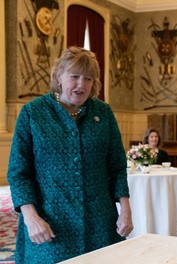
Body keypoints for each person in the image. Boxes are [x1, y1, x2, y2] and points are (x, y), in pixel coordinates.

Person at [7, 46, 133, 263]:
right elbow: (18, 172)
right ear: (59, 76)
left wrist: (125, 209)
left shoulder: (103, 113)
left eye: (88, 79)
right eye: (74, 77)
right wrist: (30, 216)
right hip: (51, 223)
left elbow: (117, 166)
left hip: (100, 222)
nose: (81, 85)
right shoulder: (32, 113)